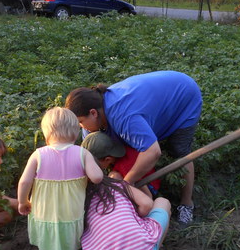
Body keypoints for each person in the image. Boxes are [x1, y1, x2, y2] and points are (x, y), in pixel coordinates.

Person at [65, 70, 202, 226]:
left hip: (183, 96)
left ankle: (187, 204)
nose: (81, 127)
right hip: (154, 98)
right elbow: (90, 157)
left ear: (93, 113)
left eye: (80, 122)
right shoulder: (91, 120)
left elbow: (153, 151)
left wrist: (127, 182)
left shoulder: (123, 116)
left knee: (178, 150)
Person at [17, 107, 103, 250]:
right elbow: (97, 177)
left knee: (45, 239)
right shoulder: (82, 153)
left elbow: (24, 182)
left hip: (42, 212)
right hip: (71, 213)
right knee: (70, 243)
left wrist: (22, 202)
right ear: (76, 131)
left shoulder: (38, 154)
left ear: (46, 133)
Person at [82, 176, 171, 250]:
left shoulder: (78, 199)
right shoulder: (118, 185)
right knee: (163, 202)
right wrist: (136, 217)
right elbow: (147, 205)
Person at [81, 131, 161, 198]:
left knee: (114, 177)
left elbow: (148, 195)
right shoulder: (120, 150)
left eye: (96, 165)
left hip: (148, 184)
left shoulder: (124, 166)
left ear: (108, 159)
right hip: (135, 179)